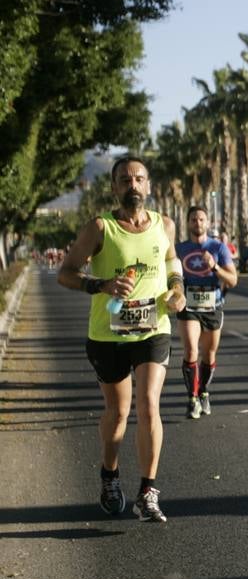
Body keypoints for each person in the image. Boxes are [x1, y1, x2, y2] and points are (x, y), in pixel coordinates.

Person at [58, 155, 187, 523]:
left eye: (139, 179)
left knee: (149, 404)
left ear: (149, 185)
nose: (133, 185)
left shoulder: (165, 224)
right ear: (114, 188)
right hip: (108, 334)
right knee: (118, 413)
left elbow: (170, 260)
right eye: (125, 180)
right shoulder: (100, 228)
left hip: (153, 328)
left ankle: (148, 492)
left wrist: (178, 289)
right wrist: (101, 285)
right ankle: (110, 475)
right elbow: (66, 273)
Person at [175, 206, 238, 419]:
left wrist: (215, 267)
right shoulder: (179, 249)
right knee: (191, 349)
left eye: (201, 219)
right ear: (188, 223)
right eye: (193, 219)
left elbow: (233, 280)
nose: (197, 223)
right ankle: (192, 399)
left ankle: (203, 392)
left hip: (212, 305)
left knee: (209, 354)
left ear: (207, 223)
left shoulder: (219, 248)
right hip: (189, 306)